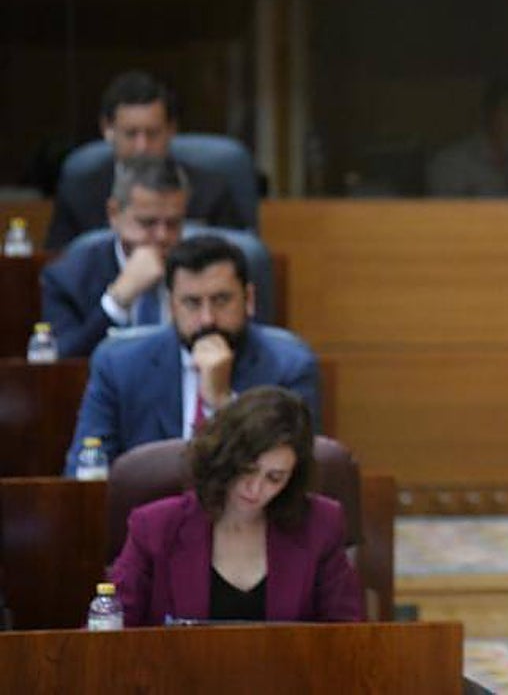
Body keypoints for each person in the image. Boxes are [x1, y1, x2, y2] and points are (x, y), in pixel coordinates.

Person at [63, 234, 321, 475]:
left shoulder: (289, 368)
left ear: (249, 299)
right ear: (172, 306)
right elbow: (85, 469)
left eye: (221, 300)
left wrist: (222, 404)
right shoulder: (118, 366)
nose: (207, 319)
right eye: (192, 303)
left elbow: (297, 478)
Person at [109, 386, 362, 626]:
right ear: (224, 459)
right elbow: (109, 632)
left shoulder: (320, 524)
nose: (254, 489)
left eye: (274, 478)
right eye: (246, 470)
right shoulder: (156, 527)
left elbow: (346, 636)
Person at [45, 69, 245, 250]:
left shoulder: (212, 189)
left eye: (153, 133)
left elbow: (238, 260)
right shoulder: (79, 193)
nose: (142, 146)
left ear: (171, 130)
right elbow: (61, 264)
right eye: (131, 134)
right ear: (107, 129)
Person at [40, 155, 187, 357]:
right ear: (114, 214)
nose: (162, 237)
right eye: (148, 223)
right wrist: (116, 301)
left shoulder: (202, 270)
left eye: (173, 224)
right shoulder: (68, 278)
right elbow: (62, 364)